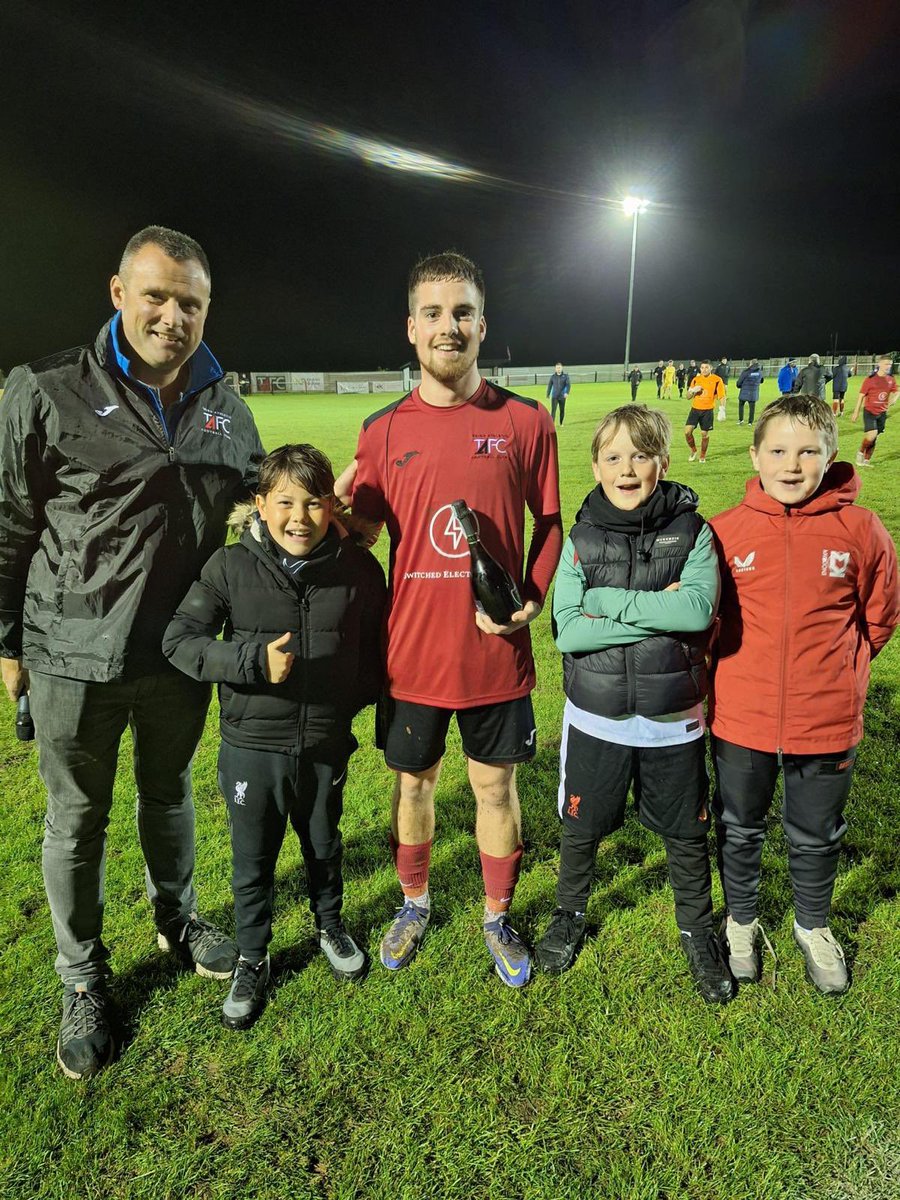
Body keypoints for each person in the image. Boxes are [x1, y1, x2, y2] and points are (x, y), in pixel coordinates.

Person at [0, 226, 265, 1079]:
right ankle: (82, 977)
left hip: (179, 654)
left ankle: (177, 915)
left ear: (206, 309)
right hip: (70, 655)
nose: (172, 315)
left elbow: (259, 506)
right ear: (119, 293)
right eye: (156, 296)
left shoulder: (226, 400)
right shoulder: (45, 390)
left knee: (170, 792)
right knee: (76, 821)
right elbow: (8, 527)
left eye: (190, 302)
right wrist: (9, 646)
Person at [343, 251, 562, 988]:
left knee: (495, 790)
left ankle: (497, 914)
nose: (449, 326)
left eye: (462, 312)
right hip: (413, 658)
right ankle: (413, 902)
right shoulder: (380, 431)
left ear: (482, 324)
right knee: (413, 788)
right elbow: (362, 534)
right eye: (433, 314)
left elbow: (552, 524)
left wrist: (530, 594)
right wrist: (325, 513)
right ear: (411, 329)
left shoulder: (526, 422)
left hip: (494, 656)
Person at [163, 444, 386, 1029]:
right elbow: (180, 642)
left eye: (314, 503)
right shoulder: (229, 567)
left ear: (332, 506)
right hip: (250, 750)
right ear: (260, 505)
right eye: (284, 502)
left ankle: (330, 925)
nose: (299, 518)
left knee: (323, 843)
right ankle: (253, 958)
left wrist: (350, 707)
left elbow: (378, 653)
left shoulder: (359, 570)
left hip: (323, 746)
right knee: (253, 859)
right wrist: (252, 663)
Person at [534, 404, 730, 1001]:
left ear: (662, 462)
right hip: (595, 716)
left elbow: (696, 611)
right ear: (595, 465)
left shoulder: (694, 531)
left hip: (673, 722)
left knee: (686, 833)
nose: (627, 468)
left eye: (641, 455)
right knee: (581, 827)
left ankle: (697, 929)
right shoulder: (580, 536)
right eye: (614, 457)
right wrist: (651, 611)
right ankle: (569, 913)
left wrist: (609, 603)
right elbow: (568, 629)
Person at [710, 395, 899, 993]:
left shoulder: (861, 529)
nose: (792, 465)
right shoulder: (723, 531)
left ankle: (811, 925)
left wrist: (841, 675)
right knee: (739, 825)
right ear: (755, 455)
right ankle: (742, 921)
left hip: (826, 717)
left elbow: (881, 618)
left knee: (816, 832)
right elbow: (707, 623)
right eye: (778, 451)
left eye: (808, 451)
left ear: (831, 456)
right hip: (742, 715)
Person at [852, 355, 897, 467]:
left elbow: (897, 390)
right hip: (870, 411)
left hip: (882, 413)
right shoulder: (870, 380)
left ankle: (867, 460)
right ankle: (860, 452)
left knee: (875, 436)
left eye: (890, 364)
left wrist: (894, 398)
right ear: (880, 364)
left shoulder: (891, 379)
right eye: (886, 364)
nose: (888, 366)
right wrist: (856, 412)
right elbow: (861, 396)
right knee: (872, 435)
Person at [684, 360, 725, 463]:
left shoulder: (717, 380)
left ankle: (702, 456)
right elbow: (688, 397)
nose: (704, 370)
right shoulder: (695, 379)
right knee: (687, 432)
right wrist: (693, 391)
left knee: (704, 434)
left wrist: (722, 409)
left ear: (711, 368)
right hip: (695, 409)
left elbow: (722, 396)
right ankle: (693, 451)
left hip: (707, 411)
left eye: (706, 367)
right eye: (702, 368)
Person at [735, 358, 764, 426]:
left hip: (744, 392)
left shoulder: (746, 371)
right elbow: (762, 381)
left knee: (741, 405)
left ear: (751, 363)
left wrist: (740, 386)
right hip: (753, 393)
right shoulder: (759, 372)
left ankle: (741, 420)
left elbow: (739, 383)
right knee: (752, 408)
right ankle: (750, 422)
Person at [546, 362, 571, 427]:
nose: (558, 369)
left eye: (559, 368)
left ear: (562, 368)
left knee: (562, 410)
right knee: (553, 411)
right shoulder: (553, 377)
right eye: (557, 368)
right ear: (555, 369)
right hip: (554, 397)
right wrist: (548, 394)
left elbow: (568, 385)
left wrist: (567, 393)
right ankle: (552, 425)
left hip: (562, 397)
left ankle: (561, 423)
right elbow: (549, 385)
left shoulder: (565, 376)